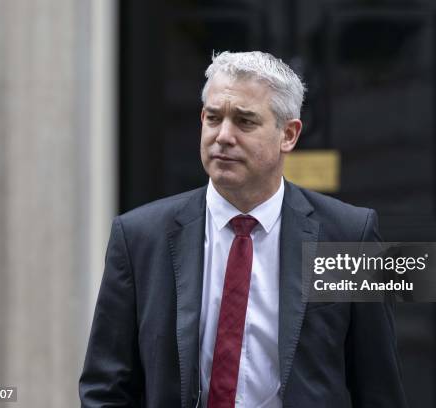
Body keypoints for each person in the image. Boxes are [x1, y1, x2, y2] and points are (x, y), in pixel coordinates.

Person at [79, 51, 408, 408]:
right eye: (213, 118)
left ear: (289, 134)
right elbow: (106, 387)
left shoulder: (349, 235)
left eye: (244, 121)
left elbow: (378, 389)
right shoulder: (140, 237)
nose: (223, 136)